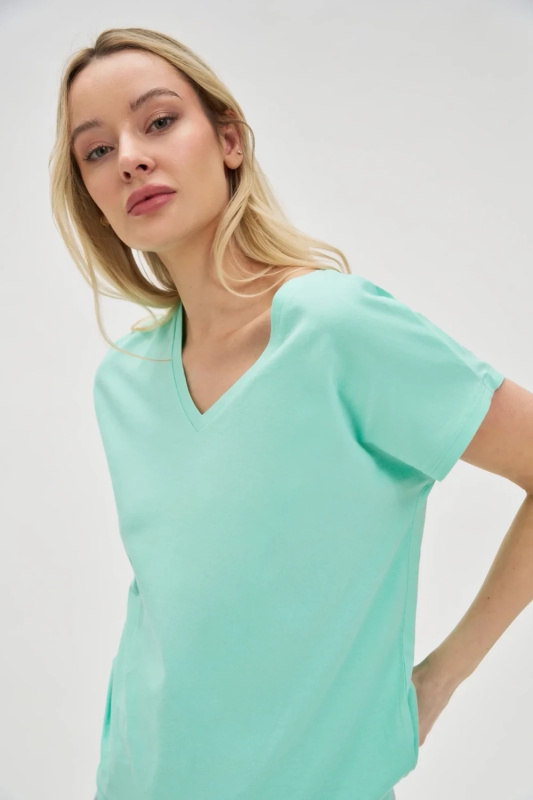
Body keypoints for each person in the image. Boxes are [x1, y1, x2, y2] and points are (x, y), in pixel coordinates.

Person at [50, 27, 508, 800]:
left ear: (228, 140)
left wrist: (439, 679)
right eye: (96, 150)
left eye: (158, 121)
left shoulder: (336, 329)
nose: (128, 157)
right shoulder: (124, 379)